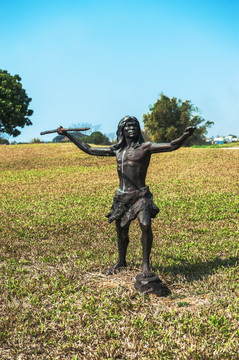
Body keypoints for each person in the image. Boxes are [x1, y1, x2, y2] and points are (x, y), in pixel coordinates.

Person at [57, 116, 195, 277]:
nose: (131, 129)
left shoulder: (145, 147)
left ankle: (146, 265)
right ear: (121, 130)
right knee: (122, 232)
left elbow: (171, 145)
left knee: (145, 224)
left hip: (141, 195)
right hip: (122, 198)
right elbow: (89, 148)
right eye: (128, 126)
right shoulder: (117, 150)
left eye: (134, 126)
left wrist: (185, 136)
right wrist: (69, 135)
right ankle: (121, 262)